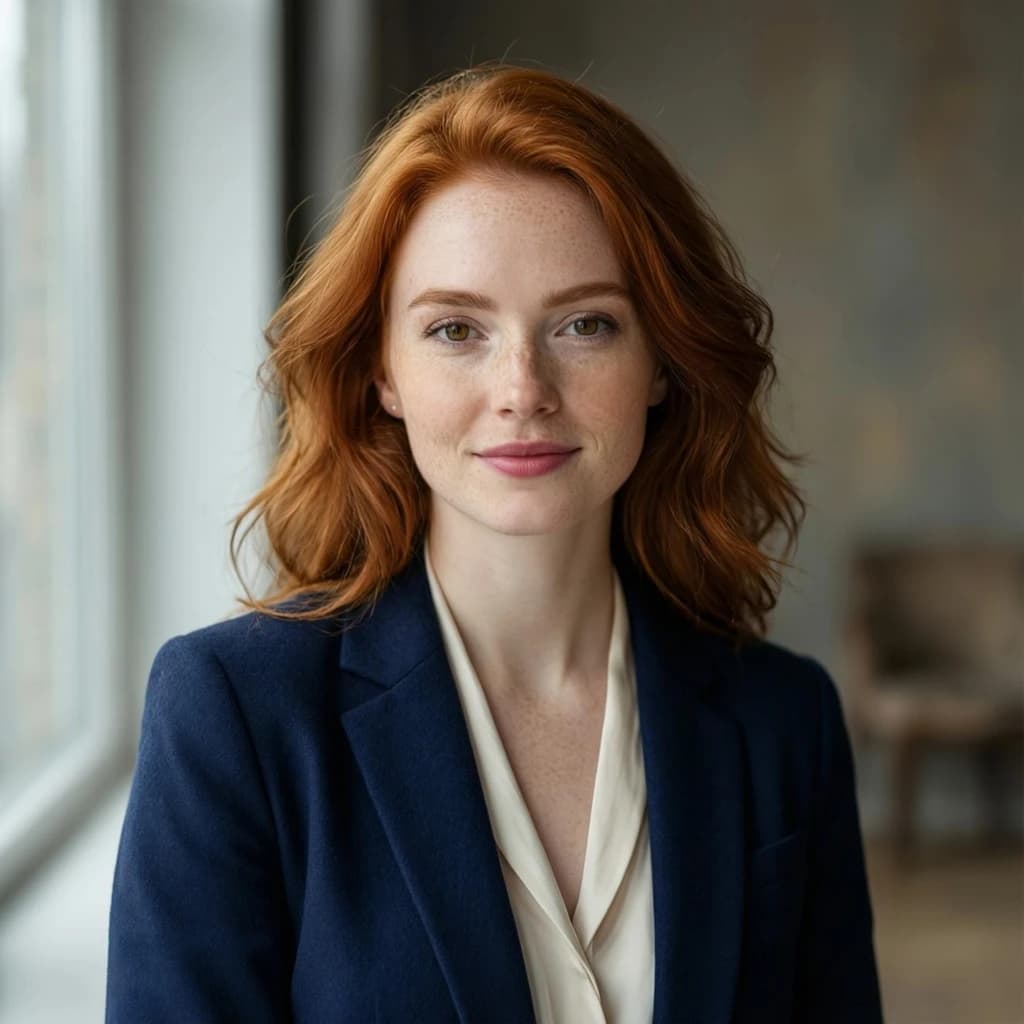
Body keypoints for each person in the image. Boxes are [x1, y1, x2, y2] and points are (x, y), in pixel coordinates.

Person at [105, 62, 884, 1023]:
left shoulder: (784, 722)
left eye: (586, 323)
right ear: (381, 369)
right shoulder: (235, 716)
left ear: (661, 362)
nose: (522, 389)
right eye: (456, 330)